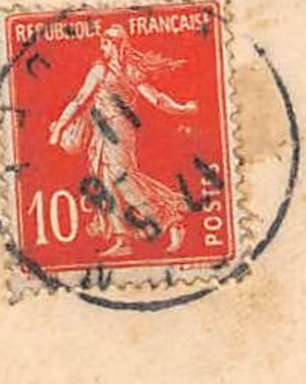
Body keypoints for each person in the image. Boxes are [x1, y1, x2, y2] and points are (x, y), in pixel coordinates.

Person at [48, 24, 198, 260]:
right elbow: (79, 100)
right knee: (106, 182)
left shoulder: (131, 71)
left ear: (117, 45)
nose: (102, 48)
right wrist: (59, 126)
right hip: (100, 131)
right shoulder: (99, 70)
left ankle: (170, 220)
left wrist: (180, 109)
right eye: (102, 44)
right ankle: (121, 239)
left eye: (106, 44)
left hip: (119, 131)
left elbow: (156, 98)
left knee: (123, 178)